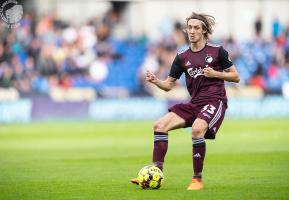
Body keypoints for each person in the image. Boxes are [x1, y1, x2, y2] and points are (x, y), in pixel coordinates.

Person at [131, 12, 240, 190]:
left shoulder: (217, 51)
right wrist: (156, 81)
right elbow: (168, 85)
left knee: (197, 129)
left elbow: (236, 77)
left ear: (204, 30)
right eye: (189, 27)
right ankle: (154, 173)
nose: (192, 31)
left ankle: (197, 179)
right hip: (194, 103)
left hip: (215, 101)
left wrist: (216, 74)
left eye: (196, 27)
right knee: (159, 126)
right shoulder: (182, 57)